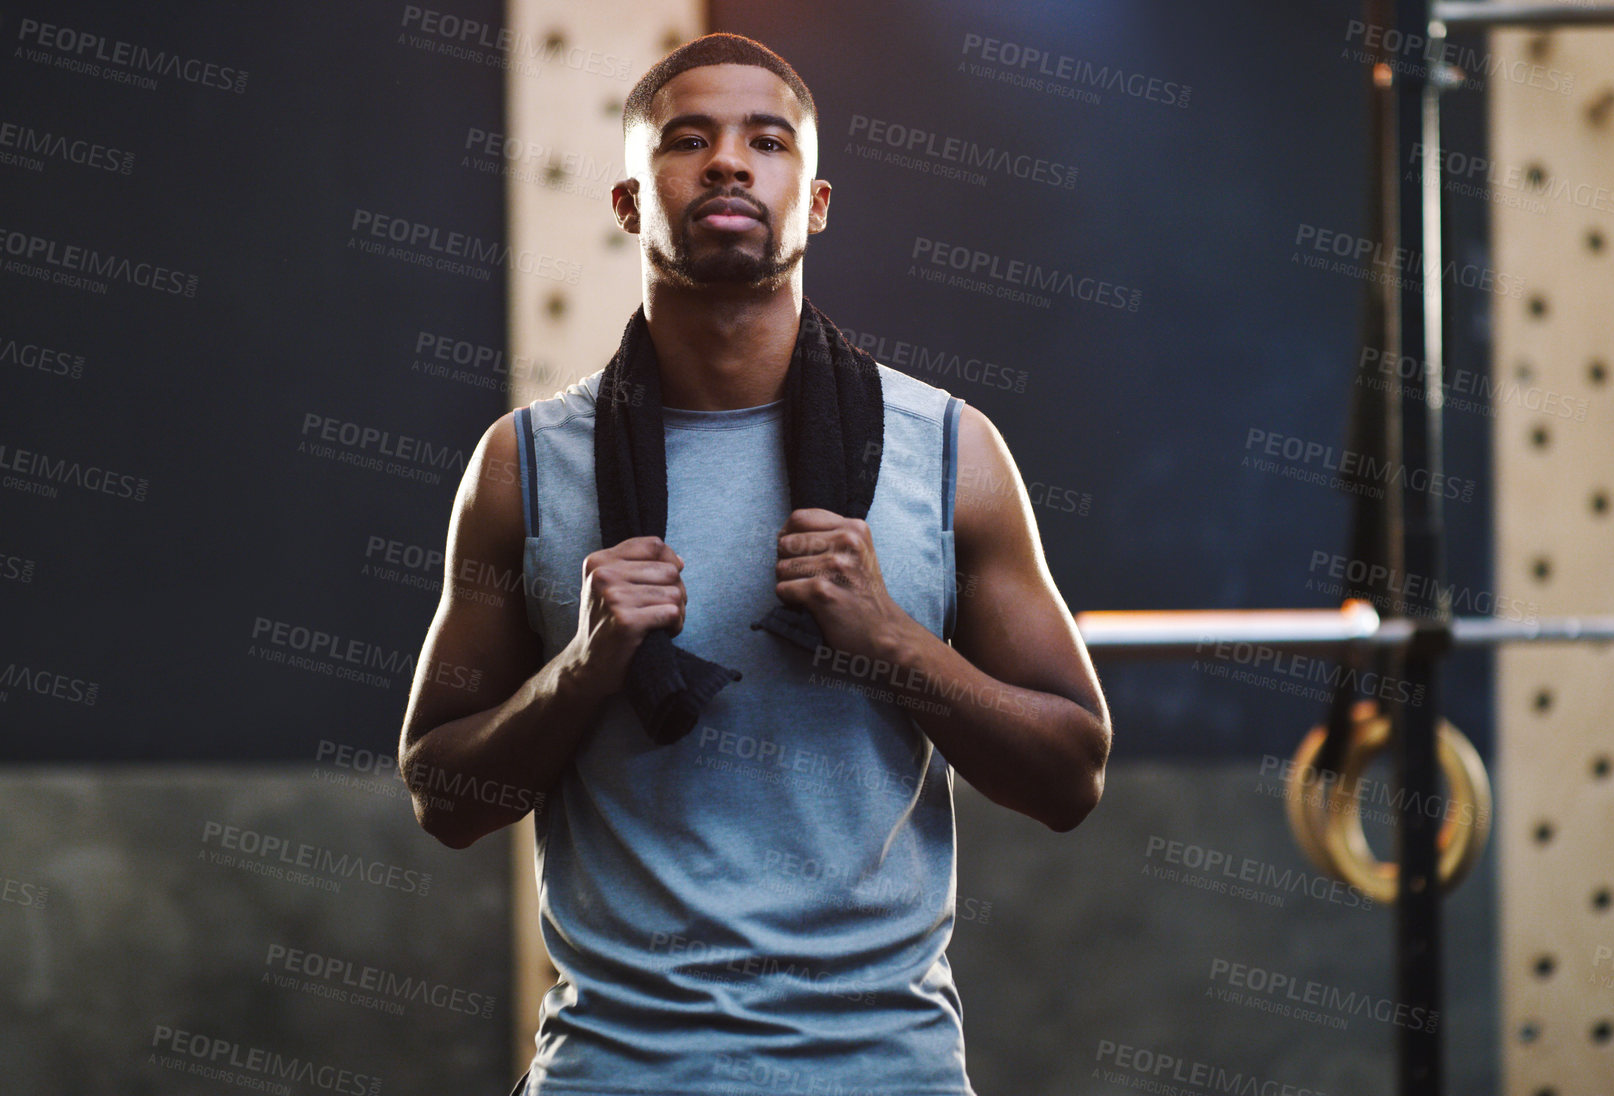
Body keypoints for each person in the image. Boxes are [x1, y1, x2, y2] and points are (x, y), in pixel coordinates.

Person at [398, 33, 1112, 1096]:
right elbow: (441, 795)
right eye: (688, 141)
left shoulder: (951, 451)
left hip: (886, 1071)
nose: (728, 163)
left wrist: (890, 641)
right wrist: (585, 668)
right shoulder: (526, 464)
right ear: (630, 202)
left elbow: (1071, 774)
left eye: (765, 143)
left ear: (814, 203)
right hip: (619, 1070)